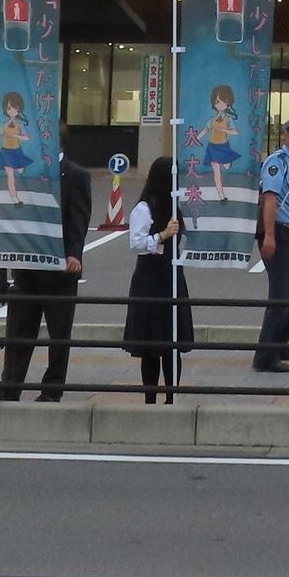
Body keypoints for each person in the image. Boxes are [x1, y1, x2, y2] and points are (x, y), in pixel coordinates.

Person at [0, 153, 91, 401]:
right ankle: (10, 386)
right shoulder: (27, 171)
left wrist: (74, 254)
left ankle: (51, 390)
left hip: (60, 270)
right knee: (18, 332)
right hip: (26, 266)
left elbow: (79, 217)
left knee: (59, 335)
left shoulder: (75, 173)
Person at [122, 156, 193, 402]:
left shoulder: (175, 206)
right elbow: (137, 244)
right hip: (150, 279)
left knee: (171, 346)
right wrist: (162, 235)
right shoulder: (144, 208)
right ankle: (150, 398)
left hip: (172, 276)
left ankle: (171, 397)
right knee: (151, 346)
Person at [253, 117, 289, 373]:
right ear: (288, 135)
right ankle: (265, 357)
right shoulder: (277, 162)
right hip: (275, 231)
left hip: (288, 231)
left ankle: (279, 343)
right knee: (280, 295)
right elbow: (270, 199)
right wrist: (269, 236)